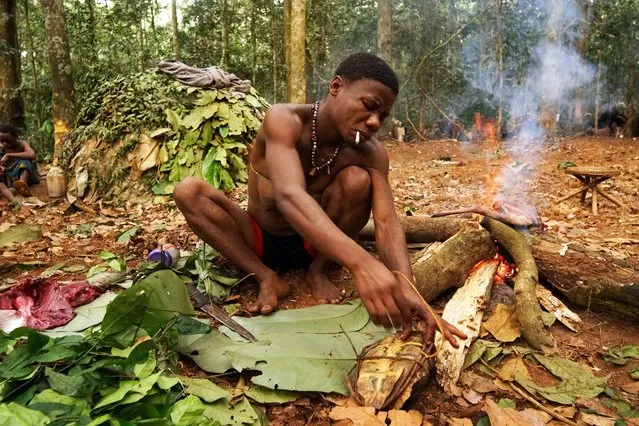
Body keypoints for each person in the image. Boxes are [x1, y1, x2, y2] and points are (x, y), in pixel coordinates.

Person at [173, 53, 466, 345]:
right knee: (189, 191)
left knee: (358, 181)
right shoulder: (284, 120)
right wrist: (363, 264)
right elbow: (289, 195)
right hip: (259, 238)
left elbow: (387, 223)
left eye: (383, 116)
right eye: (369, 107)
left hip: (316, 248)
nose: (375, 122)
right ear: (336, 87)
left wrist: (407, 286)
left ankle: (318, 271)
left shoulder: (371, 153)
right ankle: (265, 277)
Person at [0, 123, 38, 202]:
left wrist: (9, 155)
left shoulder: (22, 144)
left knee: (24, 162)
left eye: (8, 141)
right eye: (2, 141)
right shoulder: (3, 148)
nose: (5, 144)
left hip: (27, 176)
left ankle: (21, 187)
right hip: (10, 178)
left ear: (15, 137)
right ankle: (14, 191)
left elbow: (32, 154)